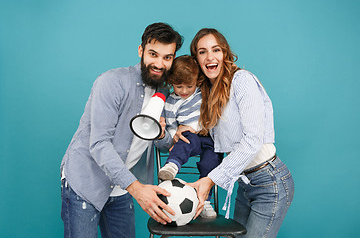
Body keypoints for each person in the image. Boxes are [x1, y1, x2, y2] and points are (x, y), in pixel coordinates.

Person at [60, 22, 183, 238]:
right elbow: (99, 144)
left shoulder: (165, 93)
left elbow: (161, 145)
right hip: (86, 180)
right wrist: (137, 189)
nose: (159, 63)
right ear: (141, 50)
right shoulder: (111, 82)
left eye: (167, 57)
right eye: (153, 54)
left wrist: (163, 134)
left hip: (122, 184)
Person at [180, 28, 295, 238]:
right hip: (244, 183)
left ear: (224, 53)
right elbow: (212, 137)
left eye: (215, 49)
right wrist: (182, 126)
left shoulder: (242, 80)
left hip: (269, 181)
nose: (210, 56)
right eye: (202, 52)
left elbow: (252, 141)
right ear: (196, 59)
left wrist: (211, 179)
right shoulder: (209, 93)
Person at [157, 55, 222, 218]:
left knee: (213, 158)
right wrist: (174, 139)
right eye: (179, 86)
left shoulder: (203, 93)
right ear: (171, 82)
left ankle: (205, 200)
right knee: (186, 137)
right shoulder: (171, 102)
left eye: (189, 86)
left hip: (208, 137)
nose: (184, 91)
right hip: (189, 138)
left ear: (198, 81)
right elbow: (171, 125)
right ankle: (172, 165)